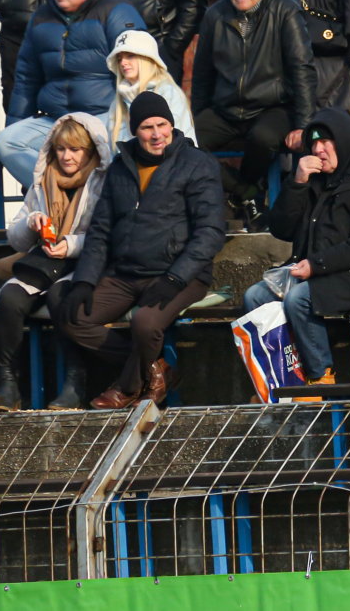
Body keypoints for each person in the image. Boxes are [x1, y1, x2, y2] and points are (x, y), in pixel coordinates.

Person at [57, 93, 226, 409]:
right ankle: (157, 371)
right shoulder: (120, 167)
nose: (157, 134)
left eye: (162, 125)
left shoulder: (197, 163)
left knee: (145, 324)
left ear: (172, 125)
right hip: (125, 273)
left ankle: (127, 386)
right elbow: (100, 232)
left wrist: (175, 278)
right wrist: (85, 280)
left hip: (178, 274)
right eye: (148, 127)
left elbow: (211, 232)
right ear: (135, 131)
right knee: (72, 318)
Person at [242, 108, 350, 394]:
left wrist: (316, 264)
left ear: (344, 141)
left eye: (326, 142)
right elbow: (281, 229)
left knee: (298, 299)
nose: (318, 150)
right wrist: (296, 183)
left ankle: (320, 377)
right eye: (313, 143)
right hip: (313, 271)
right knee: (255, 296)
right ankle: (282, 377)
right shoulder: (311, 176)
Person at [0, 113, 112, 412]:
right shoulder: (42, 180)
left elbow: (108, 236)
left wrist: (71, 245)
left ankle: (75, 385)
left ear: (91, 151)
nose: (66, 156)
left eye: (75, 149)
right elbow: (16, 240)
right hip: (45, 262)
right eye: (60, 149)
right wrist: (30, 223)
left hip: (86, 264)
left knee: (63, 299)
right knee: (9, 297)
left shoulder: (105, 182)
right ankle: (8, 384)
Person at [0, 0, 144, 185]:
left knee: (122, 143)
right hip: (57, 120)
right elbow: (26, 79)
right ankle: (58, 193)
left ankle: (100, 197)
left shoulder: (116, 11)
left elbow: (141, 69)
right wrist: (16, 122)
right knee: (7, 141)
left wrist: (137, 114)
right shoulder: (41, 18)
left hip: (105, 115)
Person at [192, 0, 317, 228]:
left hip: (272, 106)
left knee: (263, 138)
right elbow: (202, 75)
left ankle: (244, 197)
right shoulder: (215, 15)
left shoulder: (285, 10)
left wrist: (304, 125)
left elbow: (302, 70)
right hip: (226, 109)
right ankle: (246, 192)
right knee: (184, 140)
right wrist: (196, 117)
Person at [105, 29, 195, 146]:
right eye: (119, 59)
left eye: (130, 56)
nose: (123, 63)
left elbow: (183, 145)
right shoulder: (117, 103)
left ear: (147, 57)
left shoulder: (168, 93)